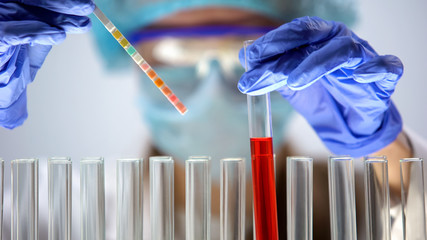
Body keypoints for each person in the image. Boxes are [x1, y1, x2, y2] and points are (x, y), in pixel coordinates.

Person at [1, 0, 426, 239]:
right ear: (133, 57)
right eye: (178, 54)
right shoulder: (61, 217)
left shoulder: (367, 207)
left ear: (305, 66)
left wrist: (379, 143)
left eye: (245, 55)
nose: (214, 82)